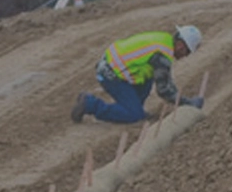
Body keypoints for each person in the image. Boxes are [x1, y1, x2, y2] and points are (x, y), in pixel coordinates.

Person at [69, 25, 204, 125]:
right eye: (187, 52)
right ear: (181, 46)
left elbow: (163, 79)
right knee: (134, 115)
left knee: (150, 75)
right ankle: (90, 104)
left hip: (112, 63)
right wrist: (188, 103)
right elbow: (164, 90)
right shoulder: (162, 55)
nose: (185, 56)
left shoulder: (163, 40)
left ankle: (134, 105)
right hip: (112, 73)